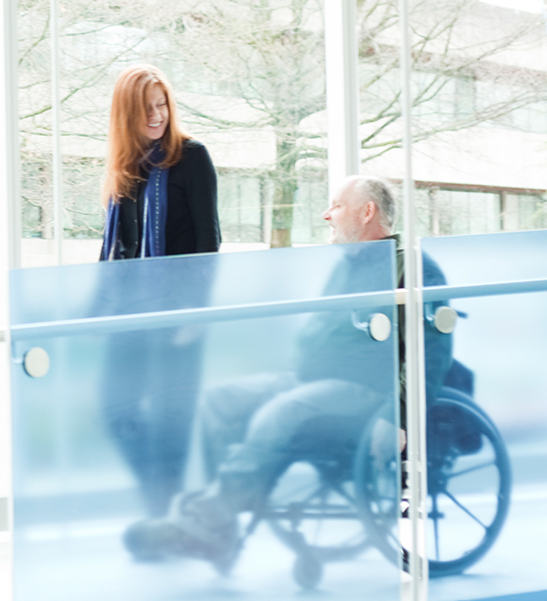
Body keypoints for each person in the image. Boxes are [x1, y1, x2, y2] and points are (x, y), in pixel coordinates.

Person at [123, 175, 453, 571]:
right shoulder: (348, 265)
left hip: (367, 389)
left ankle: (211, 518)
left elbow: (432, 347)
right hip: (312, 378)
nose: (326, 214)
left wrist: (397, 414)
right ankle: (223, 520)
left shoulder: (412, 266)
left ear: (367, 213)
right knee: (218, 400)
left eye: (337, 206)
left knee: (281, 411)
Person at [96, 64, 221, 517]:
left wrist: (195, 313)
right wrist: (95, 312)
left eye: (162, 104)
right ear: (125, 113)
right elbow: (114, 250)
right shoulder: (123, 169)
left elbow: (209, 242)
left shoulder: (192, 157)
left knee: (173, 421)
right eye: (146, 107)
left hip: (178, 315)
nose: (156, 115)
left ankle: (163, 513)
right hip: (130, 316)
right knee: (115, 410)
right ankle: (158, 495)